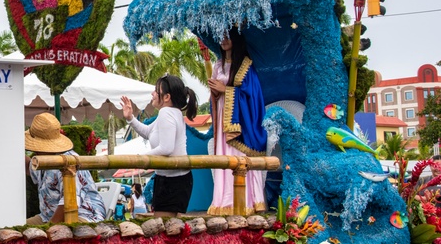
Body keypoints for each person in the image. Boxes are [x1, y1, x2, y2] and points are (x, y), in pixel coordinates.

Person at [206, 30, 267, 215]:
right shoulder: (218, 65)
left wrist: (226, 90)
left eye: (227, 36)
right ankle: (224, 203)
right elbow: (216, 97)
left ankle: (247, 202)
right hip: (223, 119)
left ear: (236, 39)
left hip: (241, 124)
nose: (223, 40)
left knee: (239, 159)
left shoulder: (246, 66)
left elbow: (252, 97)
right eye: (221, 36)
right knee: (224, 158)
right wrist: (215, 92)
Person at [121, 75, 198, 215]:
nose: (152, 93)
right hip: (169, 178)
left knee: (164, 227)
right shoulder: (171, 113)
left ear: (166, 97)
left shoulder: (166, 113)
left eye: (156, 91)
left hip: (173, 180)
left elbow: (166, 148)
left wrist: (139, 158)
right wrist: (130, 118)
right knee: (167, 228)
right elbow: (148, 132)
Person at [24, 113, 106, 223]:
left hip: (84, 216)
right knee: (20, 231)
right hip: (47, 216)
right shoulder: (42, 158)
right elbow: (28, 167)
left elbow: (69, 202)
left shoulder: (69, 161)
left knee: (54, 235)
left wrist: (49, 228)